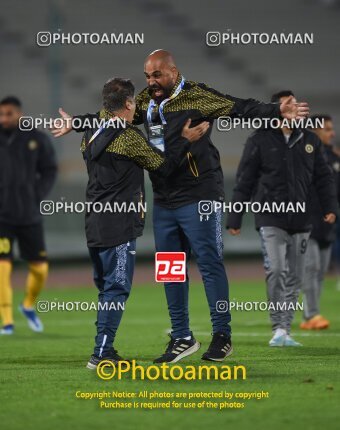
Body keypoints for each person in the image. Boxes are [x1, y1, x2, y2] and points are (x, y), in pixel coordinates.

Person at [52, 50, 309, 363]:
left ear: (173, 71)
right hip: (164, 197)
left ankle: (222, 335)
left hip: (199, 193)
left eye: (157, 75)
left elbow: (240, 107)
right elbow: (112, 116)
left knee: (209, 262)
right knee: (171, 269)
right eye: (147, 76)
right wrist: (78, 123)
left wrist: (276, 110)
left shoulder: (197, 96)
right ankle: (181, 337)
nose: (151, 82)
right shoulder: (144, 100)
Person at [53, 78, 209, 369]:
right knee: (116, 288)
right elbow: (162, 167)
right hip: (120, 222)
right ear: (127, 104)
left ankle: (104, 347)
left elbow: (95, 120)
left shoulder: (91, 131)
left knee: (106, 288)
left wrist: (75, 122)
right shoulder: (128, 136)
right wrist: (185, 140)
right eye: (133, 101)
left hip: (94, 220)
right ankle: (101, 352)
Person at [227, 91, 337, 346]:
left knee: (295, 275)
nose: (295, 108)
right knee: (276, 269)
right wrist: (235, 217)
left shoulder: (310, 139)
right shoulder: (259, 140)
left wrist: (330, 206)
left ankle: (285, 330)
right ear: (276, 109)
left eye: (296, 104)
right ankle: (278, 327)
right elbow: (245, 180)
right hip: (270, 217)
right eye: (288, 104)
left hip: (302, 218)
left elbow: (323, 177)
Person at [0, 96, 57, 335]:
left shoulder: (36, 138)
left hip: (29, 213)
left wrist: (37, 195)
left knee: (40, 268)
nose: (4, 119)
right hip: (2, 217)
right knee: (2, 266)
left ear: (19, 114)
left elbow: (50, 169)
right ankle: (7, 320)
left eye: (8, 114)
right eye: (1, 114)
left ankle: (28, 305)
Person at [300, 115, 340, 330]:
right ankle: (310, 315)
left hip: (327, 224)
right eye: (327, 129)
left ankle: (311, 313)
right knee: (312, 267)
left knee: (321, 270)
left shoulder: (333, 158)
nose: (332, 133)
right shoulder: (304, 154)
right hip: (306, 222)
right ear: (315, 131)